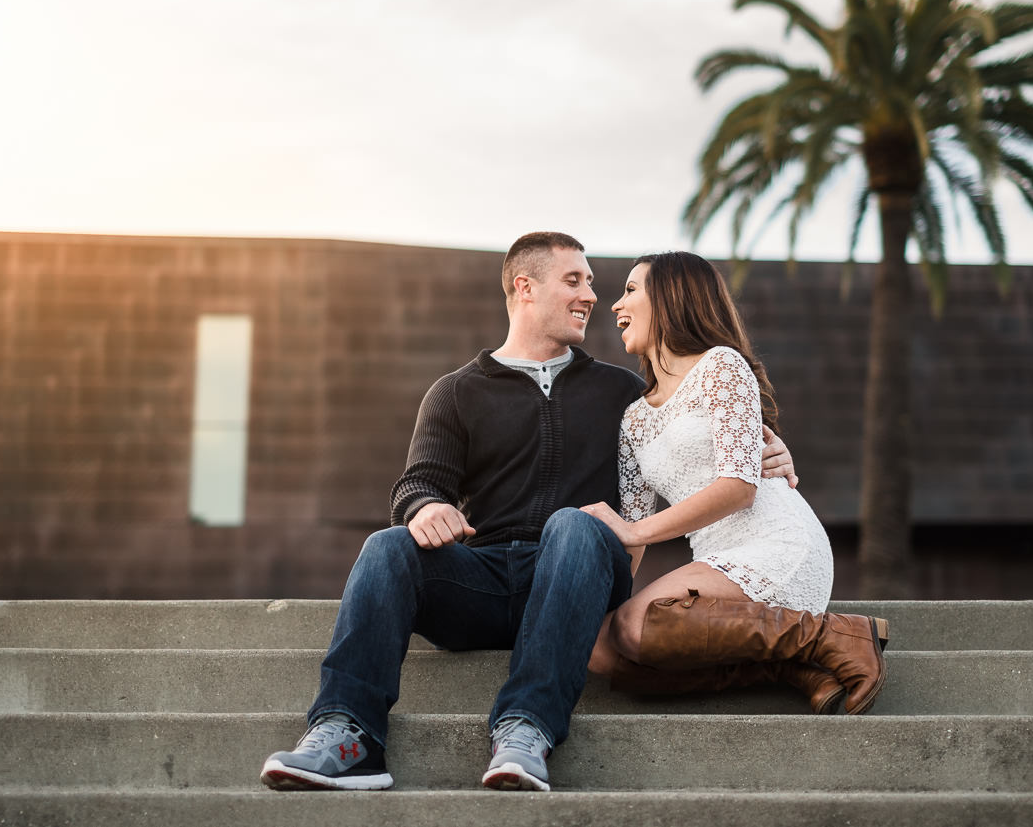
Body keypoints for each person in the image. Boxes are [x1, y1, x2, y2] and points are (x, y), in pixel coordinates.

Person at [259, 232, 799, 793]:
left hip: (578, 578)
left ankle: (526, 729)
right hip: (484, 581)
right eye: (575, 280)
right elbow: (419, 482)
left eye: (591, 282)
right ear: (525, 287)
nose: (592, 294)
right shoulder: (453, 393)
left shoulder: (623, 394)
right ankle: (348, 734)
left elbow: (705, 427)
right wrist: (423, 508)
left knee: (573, 522)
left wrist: (774, 450)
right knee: (386, 545)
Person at [581, 251, 889, 715]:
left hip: (777, 543)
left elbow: (740, 486)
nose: (614, 305)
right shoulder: (634, 418)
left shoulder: (721, 366)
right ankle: (791, 666)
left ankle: (838, 635)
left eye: (630, 290)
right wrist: (612, 592)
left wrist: (635, 534)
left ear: (670, 297)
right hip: (717, 569)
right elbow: (634, 527)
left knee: (635, 625)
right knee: (600, 648)